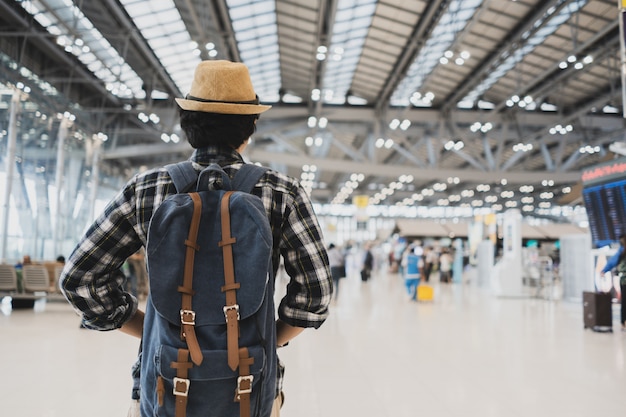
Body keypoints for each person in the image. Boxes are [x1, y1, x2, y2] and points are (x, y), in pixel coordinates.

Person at [59, 60, 333, 415]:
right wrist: (267, 338)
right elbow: (317, 294)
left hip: (166, 384)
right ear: (249, 129)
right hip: (251, 387)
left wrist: (150, 329)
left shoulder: (146, 190)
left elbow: (79, 279)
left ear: (188, 125)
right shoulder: (283, 193)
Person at [601, 233, 626, 331]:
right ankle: (623, 322)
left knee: (624, 302)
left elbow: (613, 260)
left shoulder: (622, 250)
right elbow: (613, 260)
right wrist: (605, 269)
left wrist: (605, 270)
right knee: (624, 302)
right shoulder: (622, 250)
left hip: (623, 280)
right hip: (624, 280)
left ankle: (623, 322)